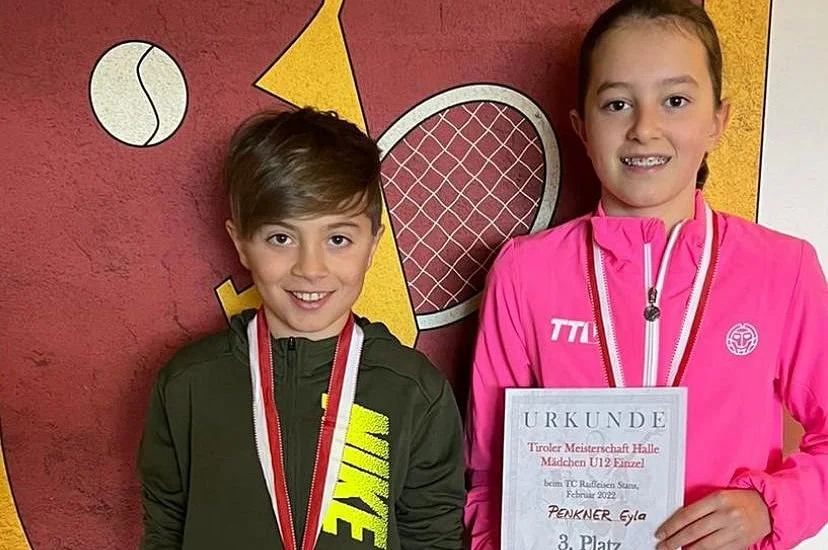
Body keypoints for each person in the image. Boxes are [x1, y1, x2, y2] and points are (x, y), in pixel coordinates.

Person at [464, 1, 828, 548]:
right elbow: (490, 477)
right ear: (582, 128)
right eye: (617, 104)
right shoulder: (524, 273)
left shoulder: (783, 269)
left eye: (675, 101)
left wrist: (768, 508)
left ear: (718, 121)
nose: (644, 128)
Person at [138, 107, 465, 549]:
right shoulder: (188, 384)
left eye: (338, 239)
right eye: (281, 238)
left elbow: (433, 538)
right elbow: (164, 531)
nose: (310, 269)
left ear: (373, 244)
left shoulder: (414, 392)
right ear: (241, 243)